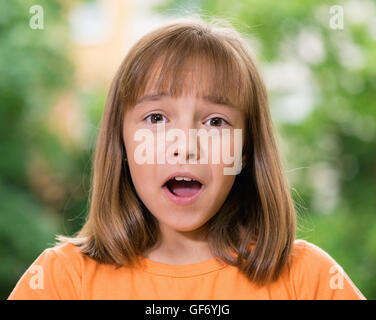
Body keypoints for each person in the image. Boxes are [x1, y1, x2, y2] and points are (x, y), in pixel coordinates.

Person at [8, 16, 366, 300]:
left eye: (215, 122)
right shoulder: (61, 282)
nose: (185, 146)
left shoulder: (309, 279)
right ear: (122, 142)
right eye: (157, 119)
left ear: (244, 150)